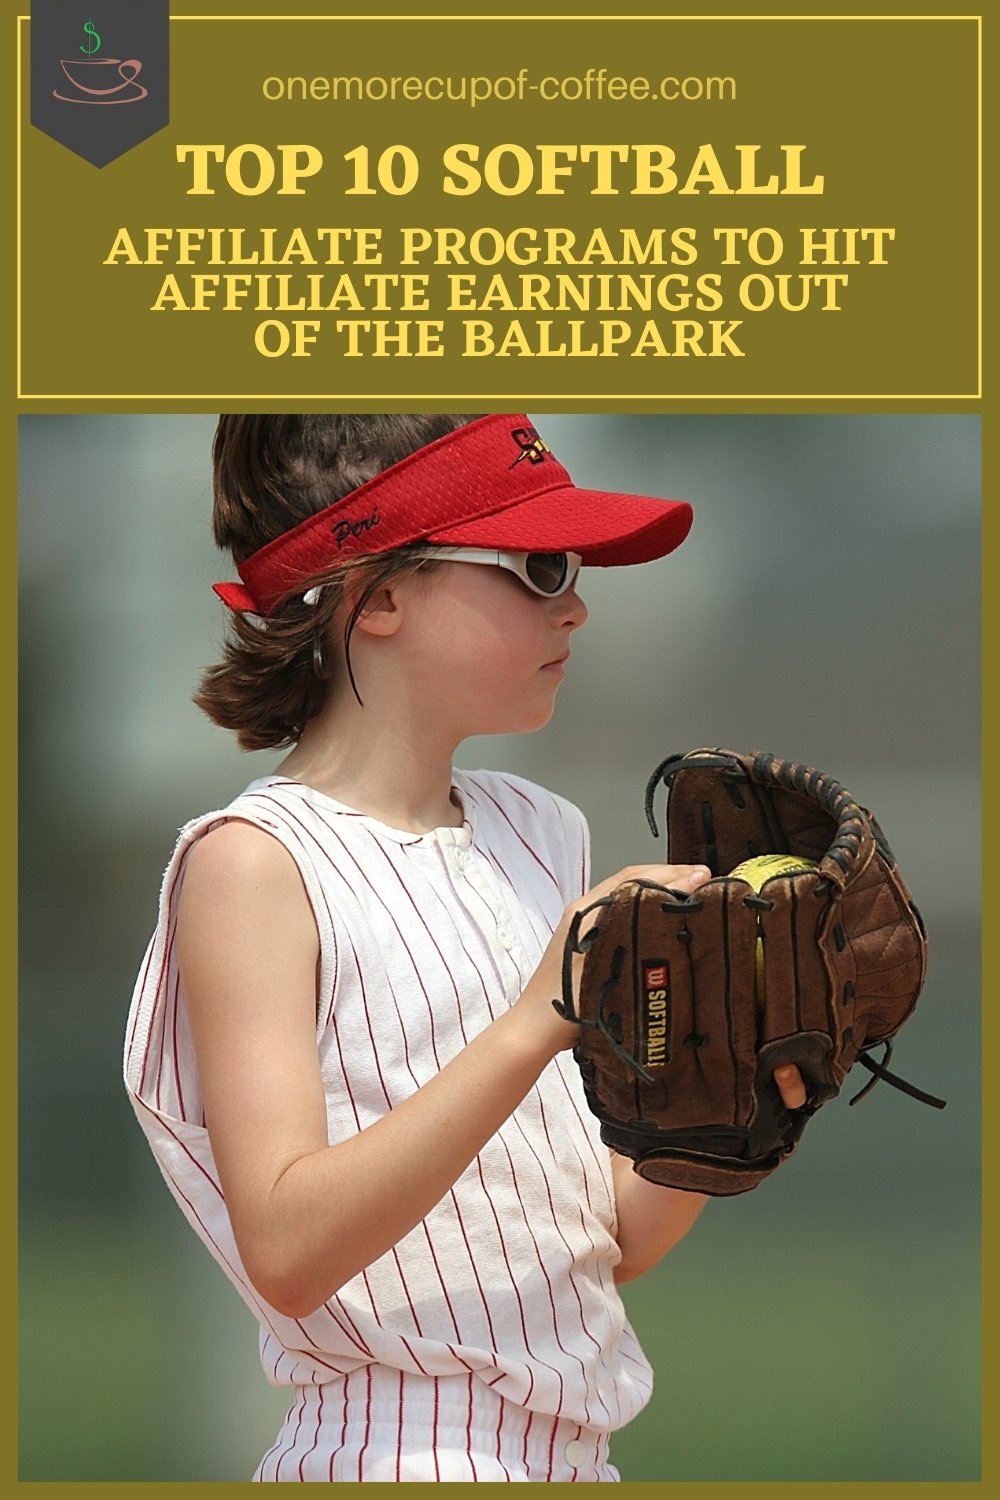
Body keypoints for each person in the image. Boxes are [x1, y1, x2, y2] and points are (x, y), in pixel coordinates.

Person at [123, 413, 805, 1483]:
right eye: (536, 565)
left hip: (578, 1456)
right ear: (378, 592)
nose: (575, 601)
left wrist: (748, 1091)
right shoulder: (254, 863)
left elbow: (603, 1245)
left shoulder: (540, 828)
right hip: (392, 1451)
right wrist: (543, 1012)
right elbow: (287, 1249)